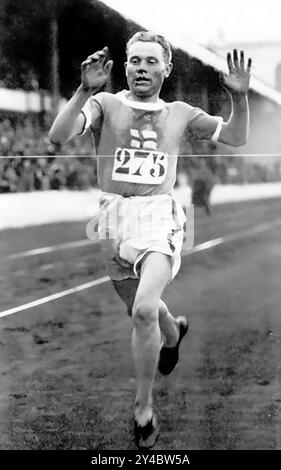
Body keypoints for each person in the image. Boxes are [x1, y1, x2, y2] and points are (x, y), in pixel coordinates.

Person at [49, 31, 251, 449]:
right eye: (135, 60)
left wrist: (240, 98)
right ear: (124, 66)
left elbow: (235, 136)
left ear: (166, 68)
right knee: (141, 309)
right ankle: (173, 333)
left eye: (151, 61)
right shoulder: (105, 104)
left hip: (159, 216)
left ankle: (143, 410)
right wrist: (84, 89)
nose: (142, 68)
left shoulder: (180, 113)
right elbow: (58, 134)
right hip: (113, 220)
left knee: (143, 310)